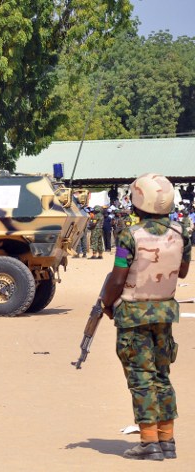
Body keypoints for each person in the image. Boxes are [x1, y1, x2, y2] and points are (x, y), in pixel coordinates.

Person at [100, 174, 190, 461]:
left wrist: (106, 303)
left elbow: (118, 277)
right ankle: (167, 440)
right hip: (165, 313)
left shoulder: (130, 235)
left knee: (141, 377)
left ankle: (148, 441)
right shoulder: (180, 232)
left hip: (133, 315)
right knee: (162, 376)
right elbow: (184, 270)